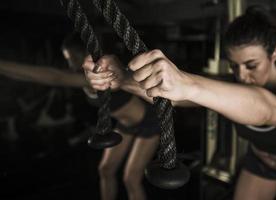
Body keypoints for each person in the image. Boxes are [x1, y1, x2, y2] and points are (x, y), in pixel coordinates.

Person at [82, 7, 276, 200]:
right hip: (260, 165)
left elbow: (268, 111)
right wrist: (120, 78)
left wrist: (187, 83)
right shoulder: (234, 86)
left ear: (275, 53)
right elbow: (173, 96)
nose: (242, 75)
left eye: (251, 65)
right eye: (234, 66)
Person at [0, 33, 160, 200]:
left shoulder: (101, 74)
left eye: (72, 57)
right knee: (105, 170)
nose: (70, 63)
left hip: (149, 122)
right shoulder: (89, 78)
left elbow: (55, 77)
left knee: (131, 179)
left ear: (83, 53)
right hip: (125, 124)